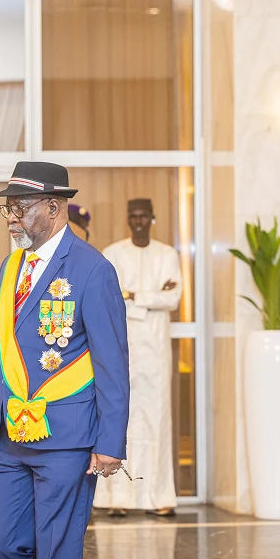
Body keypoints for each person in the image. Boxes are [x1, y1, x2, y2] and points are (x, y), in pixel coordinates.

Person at [0, 162, 130, 559]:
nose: (12, 218)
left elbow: (112, 364)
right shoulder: (10, 267)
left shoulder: (93, 269)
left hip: (65, 438)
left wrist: (110, 442)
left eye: (20, 208)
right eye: (8, 209)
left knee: (57, 548)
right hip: (10, 435)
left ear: (54, 208)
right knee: (6, 542)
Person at [93, 198, 182, 517]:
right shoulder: (113, 254)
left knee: (157, 419)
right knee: (121, 417)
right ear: (128, 219)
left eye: (144, 216)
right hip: (122, 346)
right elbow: (109, 297)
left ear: (152, 218)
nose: (139, 221)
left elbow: (173, 298)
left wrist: (132, 295)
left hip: (156, 350)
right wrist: (149, 296)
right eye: (134, 216)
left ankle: (158, 496)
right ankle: (117, 497)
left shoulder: (167, 254)